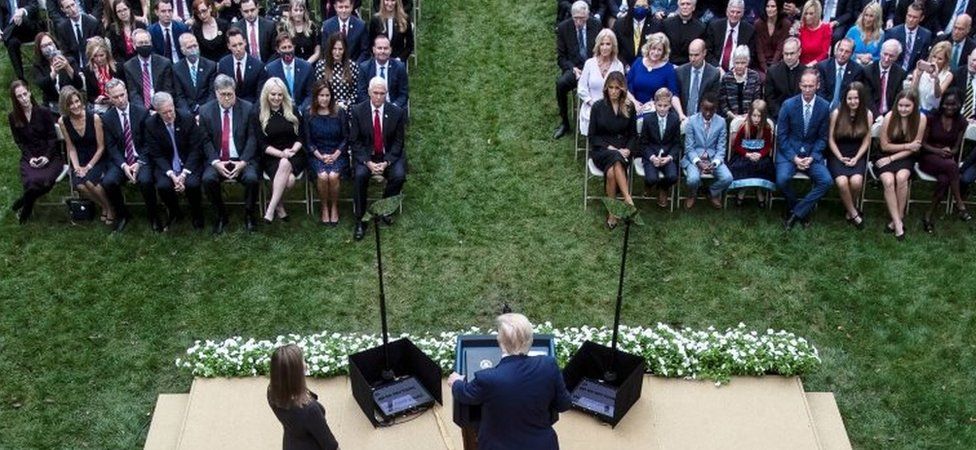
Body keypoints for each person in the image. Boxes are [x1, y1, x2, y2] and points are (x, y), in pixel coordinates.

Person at [447, 313, 572, 450]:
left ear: (500, 341)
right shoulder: (549, 365)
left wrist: (456, 382)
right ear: (529, 339)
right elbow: (564, 404)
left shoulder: (487, 378)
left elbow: (465, 393)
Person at [197, 75, 259, 233]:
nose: (226, 98)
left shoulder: (248, 108)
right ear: (216, 93)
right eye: (223, 94)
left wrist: (243, 161)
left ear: (235, 92)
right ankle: (220, 215)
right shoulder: (205, 111)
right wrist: (215, 162)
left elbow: (253, 137)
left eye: (230, 94)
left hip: (241, 158)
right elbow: (205, 141)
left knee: (252, 179)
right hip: (218, 159)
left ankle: (249, 215)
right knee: (208, 179)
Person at [349, 77, 406, 241]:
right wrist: (368, 162)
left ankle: (384, 209)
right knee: (360, 176)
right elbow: (355, 141)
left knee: (399, 175)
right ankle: (360, 220)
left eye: (382, 93)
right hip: (367, 157)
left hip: (388, 156)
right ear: (369, 92)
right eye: (376, 93)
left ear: (386, 94)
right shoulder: (358, 111)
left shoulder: (396, 112)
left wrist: (387, 162)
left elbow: (398, 141)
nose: (379, 97)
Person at [100, 79, 160, 232]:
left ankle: (154, 216)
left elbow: (149, 143)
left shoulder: (141, 112)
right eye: (115, 97)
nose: (120, 100)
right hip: (121, 161)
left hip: (142, 158)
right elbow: (111, 147)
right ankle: (122, 215)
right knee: (108, 182)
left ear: (126, 92)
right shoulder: (107, 118)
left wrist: (139, 163)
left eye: (122, 95)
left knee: (146, 180)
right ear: (109, 98)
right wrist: (124, 165)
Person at [777, 70, 833, 229]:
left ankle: (796, 213)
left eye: (811, 86)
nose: (808, 90)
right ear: (800, 85)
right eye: (805, 86)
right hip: (790, 153)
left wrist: (813, 156)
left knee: (826, 181)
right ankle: (798, 208)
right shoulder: (788, 105)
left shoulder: (823, 106)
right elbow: (782, 136)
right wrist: (794, 158)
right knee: (781, 180)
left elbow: (823, 137)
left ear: (818, 86)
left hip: (811, 154)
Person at [146, 91, 206, 230]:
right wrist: (172, 175)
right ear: (157, 112)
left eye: (171, 110)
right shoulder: (151, 125)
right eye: (164, 113)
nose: (169, 115)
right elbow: (156, 155)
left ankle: (197, 214)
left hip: (188, 163)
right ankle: (174, 212)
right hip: (167, 164)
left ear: (173, 105)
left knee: (192, 184)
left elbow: (196, 148)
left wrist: (184, 174)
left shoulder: (187, 118)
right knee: (163, 186)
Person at [8, 81, 63, 224]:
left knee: (45, 182)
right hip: (30, 155)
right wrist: (30, 158)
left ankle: (24, 203)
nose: (24, 98)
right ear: (15, 99)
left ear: (30, 92)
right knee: (32, 182)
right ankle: (27, 207)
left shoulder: (44, 112)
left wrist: (46, 156)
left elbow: (53, 138)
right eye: (19, 96)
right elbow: (20, 142)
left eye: (25, 94)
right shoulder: (13, 117)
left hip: (50, 155)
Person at [59, 86, 114, 225]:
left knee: (90, 182)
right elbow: (70, 147)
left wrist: (88, 167)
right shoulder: (63, 121)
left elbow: (101, 147)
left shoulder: (94, 118)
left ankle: (110, 208)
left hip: (97, 156)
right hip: (80, 157)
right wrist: (77, 166)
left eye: (77, 101)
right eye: (70, 104)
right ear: (65, 106)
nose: (75, 105)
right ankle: (106, 206)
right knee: (81, 186)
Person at [267, 344, 339, 450]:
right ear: (296, 373)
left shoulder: (272, 391)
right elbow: (330, 445)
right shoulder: (309, 409)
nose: (305, 364)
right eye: (302, 361)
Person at [588, 71, 637, 227]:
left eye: (617, 88)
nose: (614, 91)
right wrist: (611, 148)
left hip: (623, 151)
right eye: (611, 87)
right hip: (601, 149)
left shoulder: (629, 107)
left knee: (611, 173)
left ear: (622, 89)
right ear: (606, 88)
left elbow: (633, 135)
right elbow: (592, 136)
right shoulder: (597, 107)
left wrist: (628, 149)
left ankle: (612, 213)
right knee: (615, 157)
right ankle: (627, 199)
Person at [254, 77, 305, 224]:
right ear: (266, 95)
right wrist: (282, 154)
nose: (276, 98)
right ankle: (278, 207)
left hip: (295, 153)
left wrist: (292, 151)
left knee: (285, 165)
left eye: (280, 94)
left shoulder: (292, 110)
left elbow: (301, 137)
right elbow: (262, 145)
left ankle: (271, 208)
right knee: (288, 179)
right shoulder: (259, 114)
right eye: (273, 94)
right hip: (271, 155)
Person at [919, 90, 972, 232]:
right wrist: (938, 151)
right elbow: (922, 144)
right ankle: (960, 204)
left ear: (959, 105)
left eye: (953, 104)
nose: (950, 107)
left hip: (947, 160)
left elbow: (956, 148)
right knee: (952, 166)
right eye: (947, 104)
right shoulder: (932, 118)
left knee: (944, 180)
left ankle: (928, 216)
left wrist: (949, 152)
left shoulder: (961, 122)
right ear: (942, 104)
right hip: (928, 157)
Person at [876, 90, 924, 239]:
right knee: (889, 181)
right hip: (885, 155)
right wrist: (907, 146)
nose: (903, 109)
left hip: (906, 157)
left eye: (907, 106)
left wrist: (896, 156)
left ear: (914, 106)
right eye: (900, 105)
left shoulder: (921, 118)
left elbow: (915, 148)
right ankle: (898, 222)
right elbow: (884, 146)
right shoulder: (890, 116)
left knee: (902, 178)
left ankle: (897, 219)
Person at [826, 82, 872, 228]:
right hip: (837, 153)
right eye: (849, 98)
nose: (853, 102)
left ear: (861, 98)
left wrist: (857, 158)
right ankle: (853, 212)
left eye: (856, 98)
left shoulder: (867, 114)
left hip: (857, 153)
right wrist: (839, 157)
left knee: (856, 182)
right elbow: (831, 139)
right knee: (842, 182)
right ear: (845, 99)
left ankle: (848, 207)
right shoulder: (837, 113)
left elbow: (866, 140)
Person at [553, 1, 601, 139]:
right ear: (572, 15)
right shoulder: (563, 28)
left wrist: (593, 67)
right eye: (576, 18)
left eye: (582, 18)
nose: (579, 21)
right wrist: (572, 69)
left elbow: (600, 51)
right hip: (575, 68)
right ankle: (564, 123)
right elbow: (561, 58)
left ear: (587, 15)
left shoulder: (596, 25)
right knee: (560, 84)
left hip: (593, 67)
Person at [306, 80, 349, 225]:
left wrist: (336, 154)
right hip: (317, 154)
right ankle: (324, 206)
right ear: (316, 97)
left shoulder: (339, 112)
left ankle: (334, 206)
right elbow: (308, 140)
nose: (324, 99)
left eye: (327, 95)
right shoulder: (309, 113)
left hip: (337, 152)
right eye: (321, 95)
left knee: (333, 175)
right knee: (323, 176)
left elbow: (345, 137)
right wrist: (320, 156)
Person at [682, 92, 732, 209]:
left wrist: (714, 163)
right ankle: (693, 193)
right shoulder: (692, 121)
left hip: (713, 157)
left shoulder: (721, 122)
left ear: (716, 109)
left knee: (728, 178)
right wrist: (698, 162)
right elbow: (689, 147)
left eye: (712, 110)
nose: (708, 113)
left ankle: (711, 191)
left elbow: (721, 147)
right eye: (705, 109)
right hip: (694, 158)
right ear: (700, 107)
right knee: (693, 179)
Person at [577, 29, 625, 138]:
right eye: (602, 44)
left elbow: (621, 89)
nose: (604, 47)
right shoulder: (589, 63)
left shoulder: (618, 65)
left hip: (613, 107)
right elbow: (581, 88)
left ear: (613, 46)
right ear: (598, 45)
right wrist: (592, 103)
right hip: (591, 106)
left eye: (608, 44)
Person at [728, 99, 776, 207]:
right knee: (746, 166)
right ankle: (743, 190)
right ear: (750, 115)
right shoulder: (744, 127)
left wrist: (760, 154)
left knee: (761, 167)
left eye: (759, 116)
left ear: (763, 117)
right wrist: (747, 154)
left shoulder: (766, 129)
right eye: (754, 116)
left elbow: (768, 146)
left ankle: (758, 190)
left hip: (760, 156)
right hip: (744, 155)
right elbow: (736, 145)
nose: (756, 119)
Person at [639, 87, 681, 207]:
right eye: (659, 105)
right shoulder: (648, 120)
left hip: (667, 156)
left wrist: (669, 158)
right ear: (654, 104)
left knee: (673, 176)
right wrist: (652, 157)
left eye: (665, 105)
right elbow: (643, 143)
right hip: (651, 155)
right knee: (652, 178)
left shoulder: (674, 119)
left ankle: (663, 188)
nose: (662, 108)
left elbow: (677, 143)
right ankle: (649, 184)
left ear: (670, 106)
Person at [627, 33, 684, 119]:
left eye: (659, 50)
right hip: (634, 110)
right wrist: (634, 102)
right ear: (648, 48)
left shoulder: (668, 69)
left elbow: (673, 95)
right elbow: (626, 87)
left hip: (655, 114)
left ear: (664, 52)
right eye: (653, 48)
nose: (656, 52)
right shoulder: (638, 62)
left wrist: (681, 114)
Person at [123, 28, 176, 110]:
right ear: (134, 45)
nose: (144, 45)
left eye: (146, 42)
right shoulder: (129, 66)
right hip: (141, 108)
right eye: (140, 43)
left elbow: (167, 89)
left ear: (151, 43)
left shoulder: (164, 63)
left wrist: (159, 107)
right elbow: (133, 93)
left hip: (161, 106)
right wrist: (143, 111)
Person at [32, 32, 84, 110]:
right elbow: (42, 86)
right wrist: (53, 74)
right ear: (39, 49)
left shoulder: (69, 60)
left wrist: (68, 67)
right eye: (44, 46)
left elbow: (79, 84)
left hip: (71, 102)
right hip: (52, 104)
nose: (48, 47)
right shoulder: (38, 66)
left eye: (50, 43)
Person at [357, 34, 409, 109]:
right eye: (379, 48)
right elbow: (361, 93)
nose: (382, 51)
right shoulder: (364, 68)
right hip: (371, 109)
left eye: (385, 48)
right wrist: (373, 107)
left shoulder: (399, 67)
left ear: (390, 50)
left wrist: (394, 107)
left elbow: (404, 94)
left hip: (393, 108)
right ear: (374, 50)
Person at [263, 34, 314, 108]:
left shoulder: (306, 67)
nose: (287, 50)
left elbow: (310, 94)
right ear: (278, 50)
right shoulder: (270, 69)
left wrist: (300, 110)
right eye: (284, 48)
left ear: (294, 46)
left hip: (302, 110)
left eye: (289, 47)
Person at [704, 0, 755, 72]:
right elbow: (707, 52)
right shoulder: (714, 26)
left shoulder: (749, 30)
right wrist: (717, 67)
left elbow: (751, 56)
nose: (734, 15)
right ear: (727, 12)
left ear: (742, 13)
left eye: (738, 12)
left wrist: (738, 69)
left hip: (738, 71)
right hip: (715, 70)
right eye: (732, 11)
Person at [174, 32, 217, 115]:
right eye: (189, 47)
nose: (193, 50)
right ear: (183, 50)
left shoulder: (210, 66)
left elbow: (212, 92)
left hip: (207, 110)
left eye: (195, 46)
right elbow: (179, 96)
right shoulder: (176, 69)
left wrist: (204, 111)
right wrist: (187, 114)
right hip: (188, 111)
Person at [884, 1, 933, 74]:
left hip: (913, 74)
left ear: (921, 18)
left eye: (915, 17)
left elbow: (922, 60)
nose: (910, 20)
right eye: (909, 16)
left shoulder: (926, 35)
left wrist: (913, 74)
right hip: (893, 73)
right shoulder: (893, 33)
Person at [718, 45, 763, 123]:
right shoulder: (726, 78)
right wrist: (733, 116)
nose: (739, 66)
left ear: (748, 62)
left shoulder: (754, 76)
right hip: (730, 118)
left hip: (751, 118)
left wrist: (748, 115)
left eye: (743, 63)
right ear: (733, 62)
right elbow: (723, 103)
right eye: (737, 63)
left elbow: (757, 101)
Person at [218, 27, 264, 103]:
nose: (238, 49)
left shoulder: (258, 65)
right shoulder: (223, 64)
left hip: (251, 108)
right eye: (234, 46)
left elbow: (260, 95)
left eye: (240, 44)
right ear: (229, 46)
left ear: (245, 42)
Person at [676, 38, 720, 117]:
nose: (693, 59)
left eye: (696, 55)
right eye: (690, 55)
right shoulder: (680, 72)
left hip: (703, 118)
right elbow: (676, 97)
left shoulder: (713, 74)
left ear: (704, 53)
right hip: (682, 117)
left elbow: (711, 100)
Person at [864, 40, 907, 118]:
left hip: (890, 115)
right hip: (871, 114)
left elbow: (897, 98)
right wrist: (878, 117)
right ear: (880, 52)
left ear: (897, 57)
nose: (887, 59)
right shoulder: (868, 71)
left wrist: (889, 116)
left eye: (891, 56)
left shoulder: (900, 74)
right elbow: (868, 99)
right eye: (885, 54)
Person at [315, 34, 360, 108]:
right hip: (327, 108)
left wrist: (346, 104)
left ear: (344, 50)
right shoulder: (321, 65)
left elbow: (355, 91)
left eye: (340, 49)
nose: (337, 52)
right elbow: (319, 90)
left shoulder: (352, 66)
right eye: (334, 49)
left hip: (346, 108)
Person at [817, 38, 863, 110]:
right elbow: (821, 92)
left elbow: (853, 94)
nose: (842, 54)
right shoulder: (823, 67)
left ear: (852, 54)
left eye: (847, 52)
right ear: (836, 50)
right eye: (841, 50)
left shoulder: (857, 70)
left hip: (845, 110)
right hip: (825, 108)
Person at [82, 37, 125, 114]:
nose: (98, 59)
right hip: (100, 107)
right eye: (95, 56)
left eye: (101, 55)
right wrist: (97, 100)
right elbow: (90, 96)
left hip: (118, 103)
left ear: (107, 54)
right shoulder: (88, 71)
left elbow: (126, 90)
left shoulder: (118, 68)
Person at [1, 0, 40, 83]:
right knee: (11, 43)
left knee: (21, 18)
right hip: (14, 33)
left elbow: (35, 6)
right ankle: (21, 79)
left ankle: (5, 36)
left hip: (29, 29)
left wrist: (22, 11)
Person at [765, 37, 803, 119]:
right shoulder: (773, 72)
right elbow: (770, 99)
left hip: (800, 117)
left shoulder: (806, 73)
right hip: (778, 116)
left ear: (799, 52)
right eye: (786, 54)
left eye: (792, 53)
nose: (789, 57)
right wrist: (782, 116)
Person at [911, 41, 954, 113]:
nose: (935, 61)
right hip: (915, 109)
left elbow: (937, 95)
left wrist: (936, 79)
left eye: (940, 59)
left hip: (932, 113)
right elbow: (912, 92)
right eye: (934, 57)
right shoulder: (921, 68)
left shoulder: (948, 75)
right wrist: (918, 76)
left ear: (946, 60)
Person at [661, 0, 705, 66]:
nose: (685, 7)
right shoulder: (666, 24)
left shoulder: (701, 27)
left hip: (689, 66)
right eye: (682, 4)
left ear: (693, 7)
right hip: (668, 64)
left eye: (688, 4)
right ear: (678, 7)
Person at [615, 0, 658, 68]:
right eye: (637, 6)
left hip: (647, 66)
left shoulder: (656, 25)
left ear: (648, 7)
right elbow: (616, 50)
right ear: (632, 7)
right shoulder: (620, 24)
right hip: (624, 66)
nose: (640, 9)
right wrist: (625, 66)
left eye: (644, 6)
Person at [753, 0, 791, 74]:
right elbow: (759, 48)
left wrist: (772, 68)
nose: (770, 9)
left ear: (778, 8)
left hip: (779, 63)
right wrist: (765, 68)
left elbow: (780, 48)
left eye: (773, 6)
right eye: (768, 6)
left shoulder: (786, 24)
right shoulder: (758, 24)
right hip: (760, 64)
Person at [845, 2, 883, 66]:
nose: (867, 19)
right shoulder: (853, 30)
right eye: (866, 15)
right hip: (852, 66)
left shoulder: (881, 34)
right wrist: (858, 56)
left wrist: (871, 58)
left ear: (877, 18)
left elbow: (880, 57)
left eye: (871, 16)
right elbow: (844, 52)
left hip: (870, 68)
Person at [797, 0, 831, 66]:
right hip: (801, 65)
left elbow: (824, 53)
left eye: (811, 14)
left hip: (818, 66)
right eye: (806, 13)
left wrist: (811, 64)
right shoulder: (800, 28)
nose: (807, 17)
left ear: (817, 14)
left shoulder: (826, 28)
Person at [955, 48, 976, 122]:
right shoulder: (957, 74)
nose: (975, 64)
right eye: (974, 60)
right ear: (968, 58)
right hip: (956, 119)